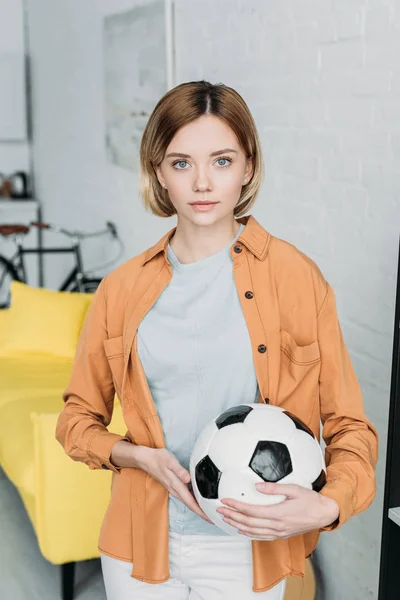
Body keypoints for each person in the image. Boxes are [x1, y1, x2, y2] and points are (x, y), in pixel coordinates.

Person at [55, 80, 379, 600]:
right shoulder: (121, 290)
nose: (202, 182)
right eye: (181, 163)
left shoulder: (297, 279)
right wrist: (137, 457)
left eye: (222, 161)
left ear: (248, 167)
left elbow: (349, 426)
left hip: (247, 548)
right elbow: (75, 421)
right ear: (159, 172)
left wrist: (330, 503)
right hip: (138, 544)